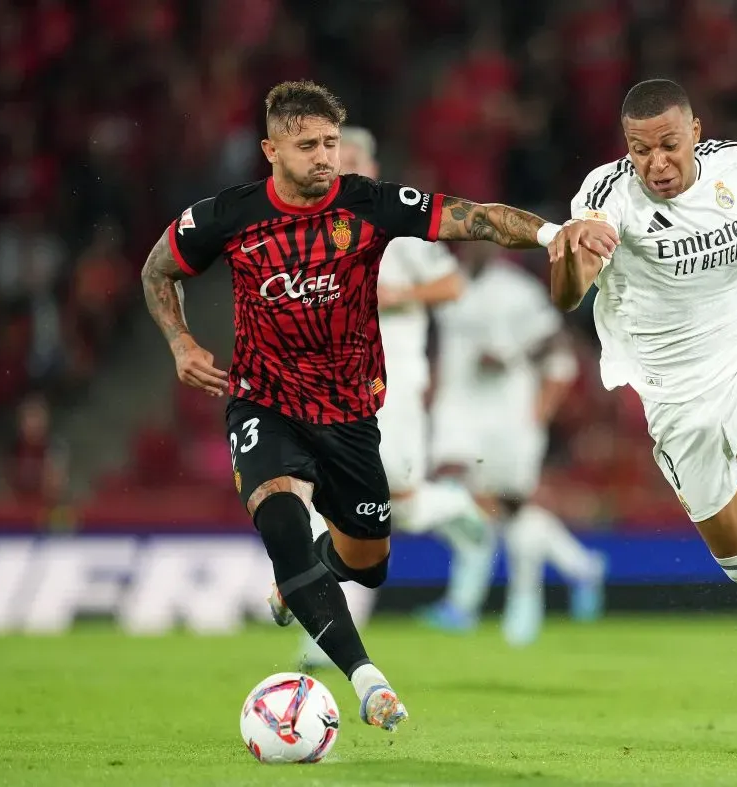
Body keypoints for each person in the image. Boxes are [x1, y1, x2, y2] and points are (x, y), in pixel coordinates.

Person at [141, 80, 618, 732]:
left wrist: (556, 232)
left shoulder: (369, 205)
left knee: (369, 560)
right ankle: (369, 681)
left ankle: (301, 580)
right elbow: (157, 269)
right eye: (307, 144)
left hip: (349, 414)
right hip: (263, 401)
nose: (324, 156)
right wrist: (180, 341)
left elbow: (473, 216)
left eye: (331, 143)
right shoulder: (227, 215)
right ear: (270, 149)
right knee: (281, 520)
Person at [549, 79, 737, 752]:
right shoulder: (604, 196)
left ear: (695, 133)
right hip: (675, 394)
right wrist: (575, 255)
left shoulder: (735, 167)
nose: (656, 162)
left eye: (669, 145)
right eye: (640, 149)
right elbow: (568, 297)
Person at [294, 126, 493, 670]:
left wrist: (398, 294)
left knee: (400, 506)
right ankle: (320, 630)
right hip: (332, 383)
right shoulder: (310, 231)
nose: (338, 166)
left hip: (395, 381)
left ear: (373, 166)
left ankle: (459, 510)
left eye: (350, 156)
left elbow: (453, 284)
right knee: (320, 498)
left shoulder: (394, 226)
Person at [426, 242, 606, 647]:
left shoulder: (518, 290)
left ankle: (513, 602)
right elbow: (444, 348)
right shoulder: (447, 284)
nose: (477, 245)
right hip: (457, 415)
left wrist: (511, 357)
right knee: (449, 495)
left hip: (508, 417)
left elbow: (555, 341)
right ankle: (578, 567)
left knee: (511, 510)